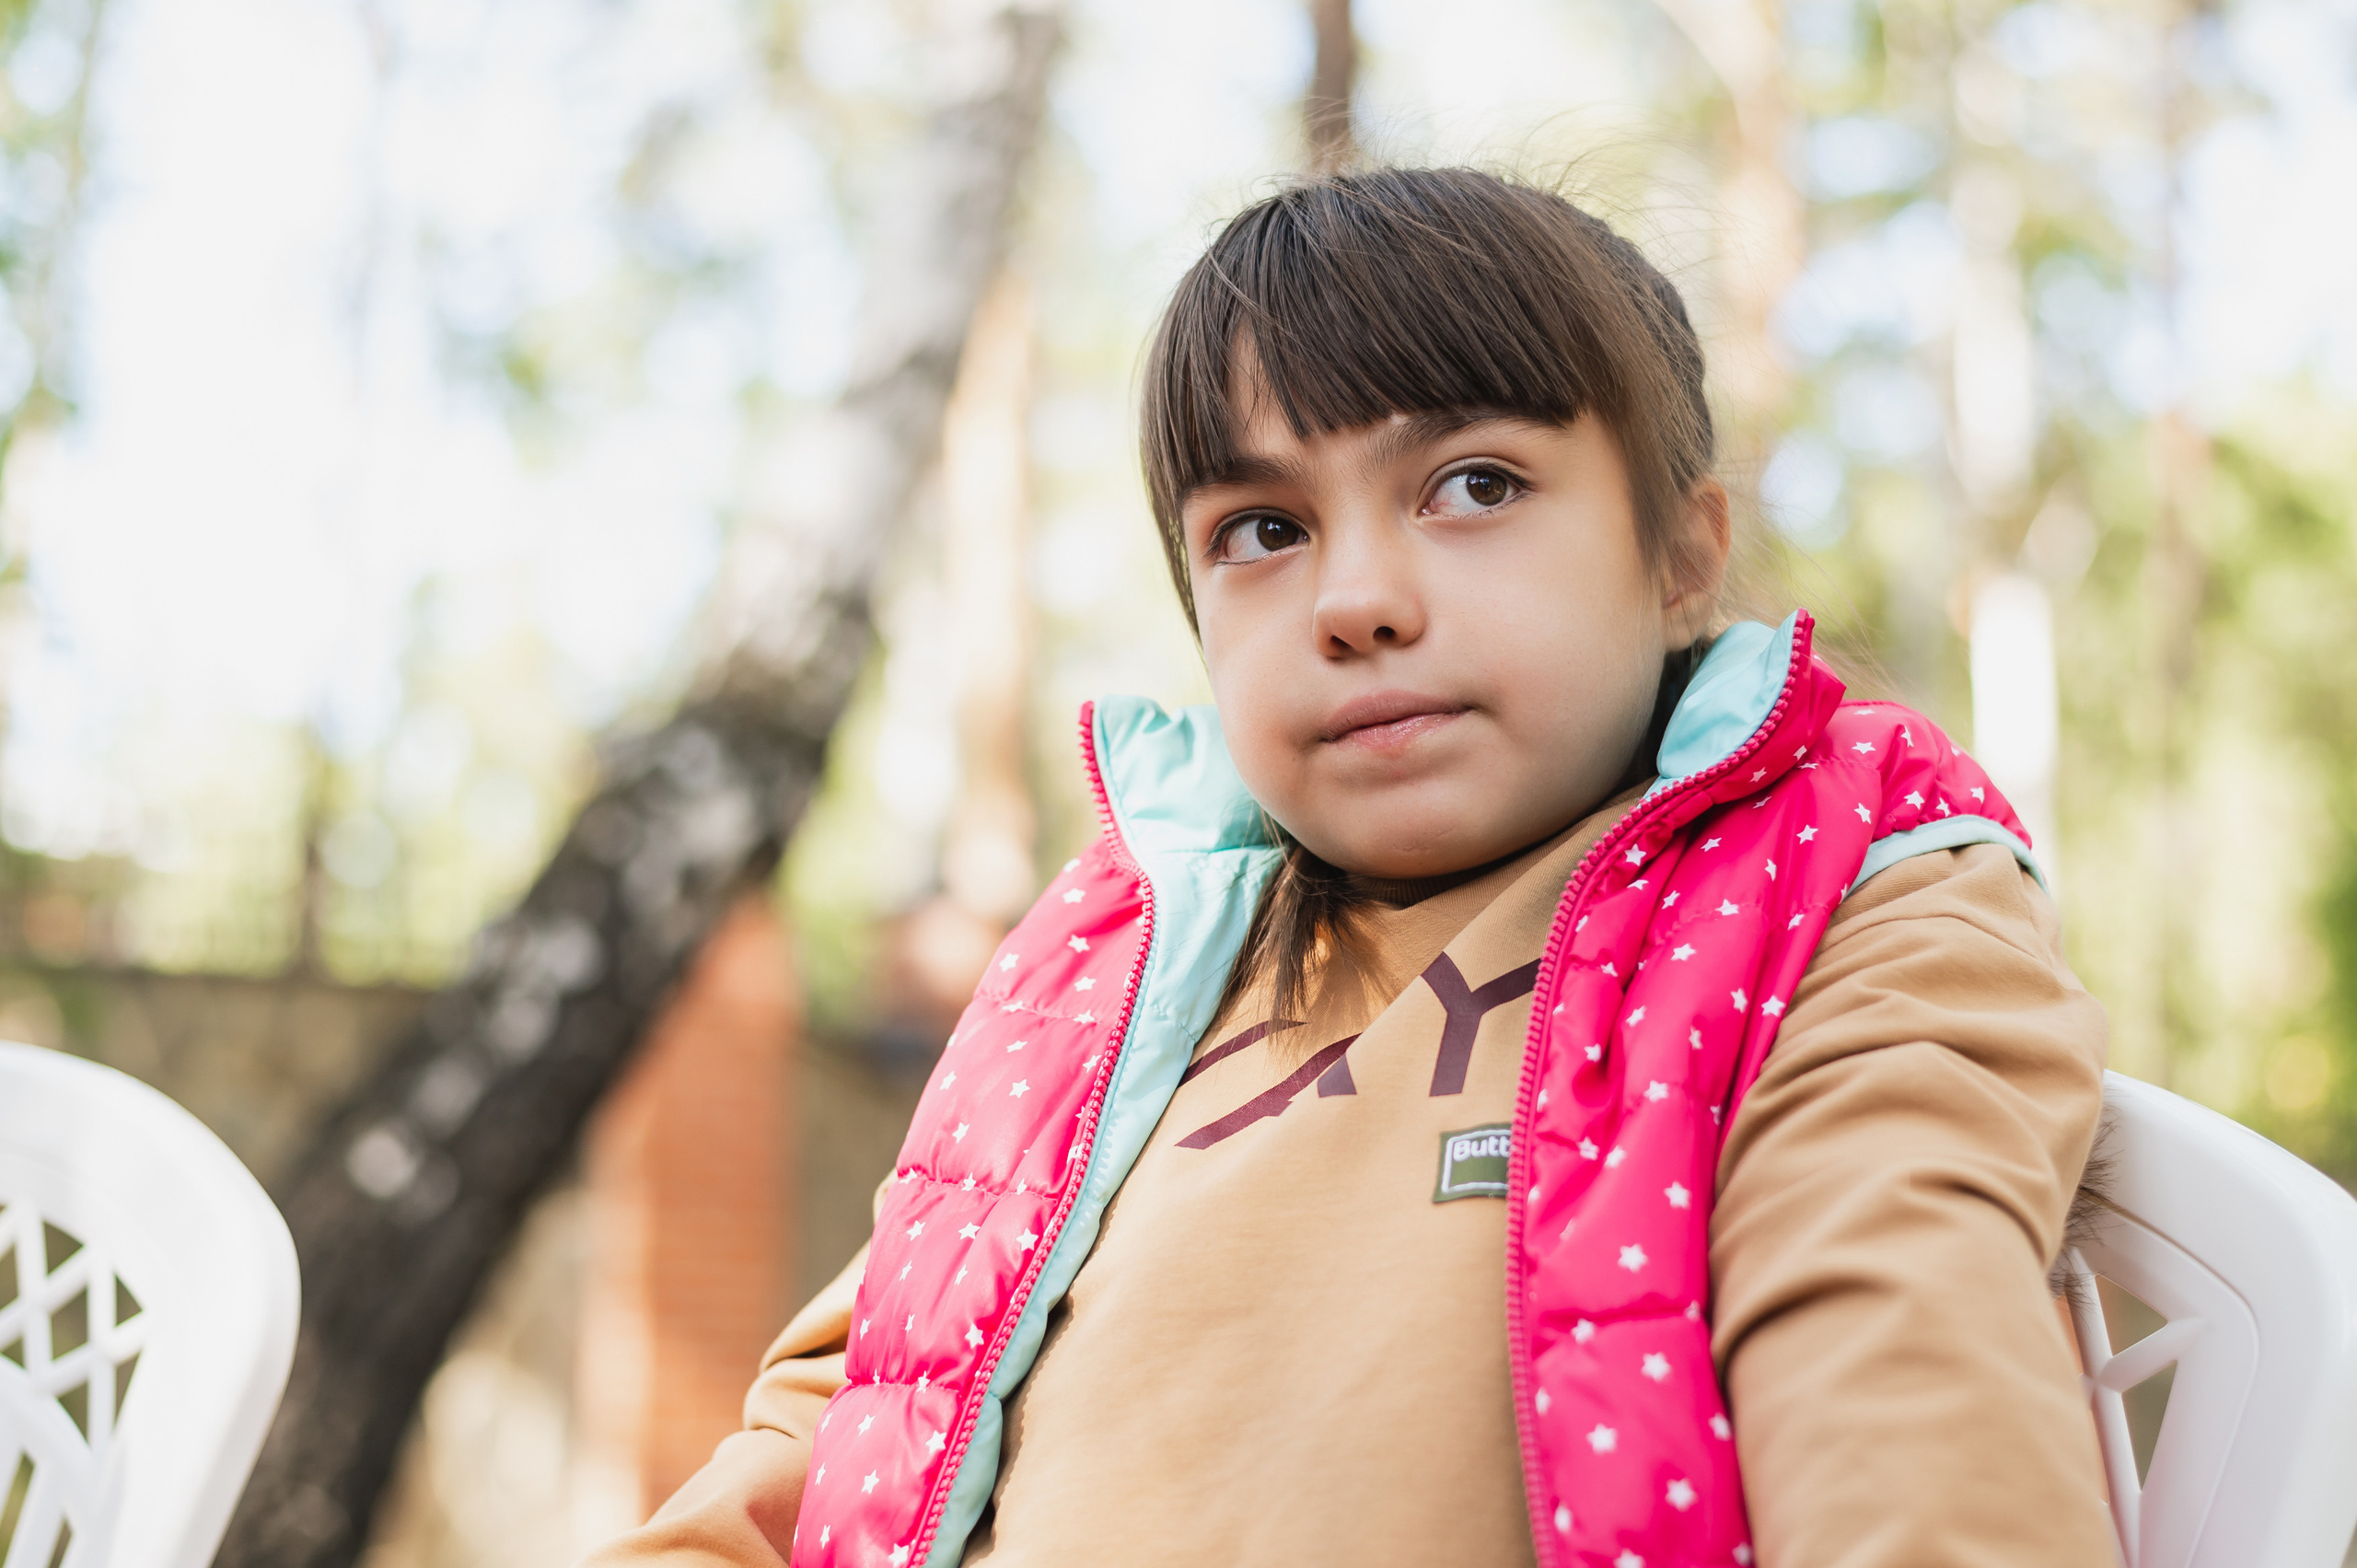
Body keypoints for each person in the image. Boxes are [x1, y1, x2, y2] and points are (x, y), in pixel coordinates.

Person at [584, 167, 2113, 1568]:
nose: (1358, 600)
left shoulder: (1834, 894)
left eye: (1474, 486)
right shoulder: (1130, 965)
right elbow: (854, 1417)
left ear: (1681, 552)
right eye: (1262, 527)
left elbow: (1903, 1389)